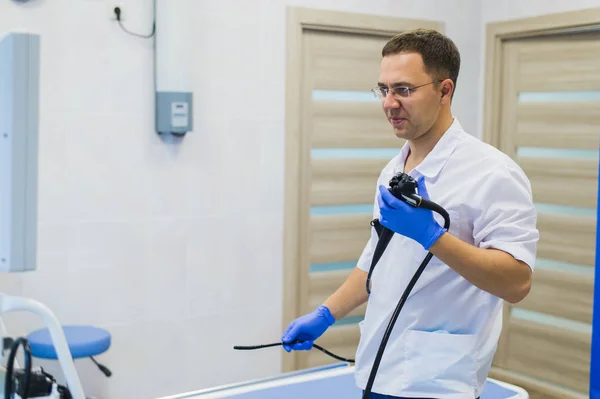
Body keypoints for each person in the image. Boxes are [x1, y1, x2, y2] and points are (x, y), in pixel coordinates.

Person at [281, 29, 539, 398]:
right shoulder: (393, 171)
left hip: (438, 382)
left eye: (403, 89)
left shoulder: (493, 173)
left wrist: (433, 237)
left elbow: (517, 283)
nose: (389, 103)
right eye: (383, 89)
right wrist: (326, 314)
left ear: (444, 90)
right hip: (378, 370)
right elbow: (377, 261)